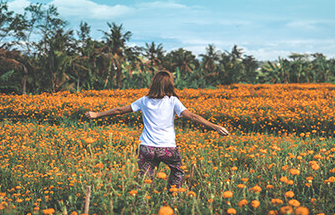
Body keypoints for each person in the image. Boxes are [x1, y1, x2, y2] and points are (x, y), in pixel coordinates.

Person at [86, 70, 229, 191]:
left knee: (145, 180)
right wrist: (215, 127)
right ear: (170, 84)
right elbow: (192, 116)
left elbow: (119, 110)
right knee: (177, 172)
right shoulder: (172, 101)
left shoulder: (144, 100)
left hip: (146, 147)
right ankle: (174, 200)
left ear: (153, 83)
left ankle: (143, 208)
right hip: (167, 148)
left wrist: (97, 114)